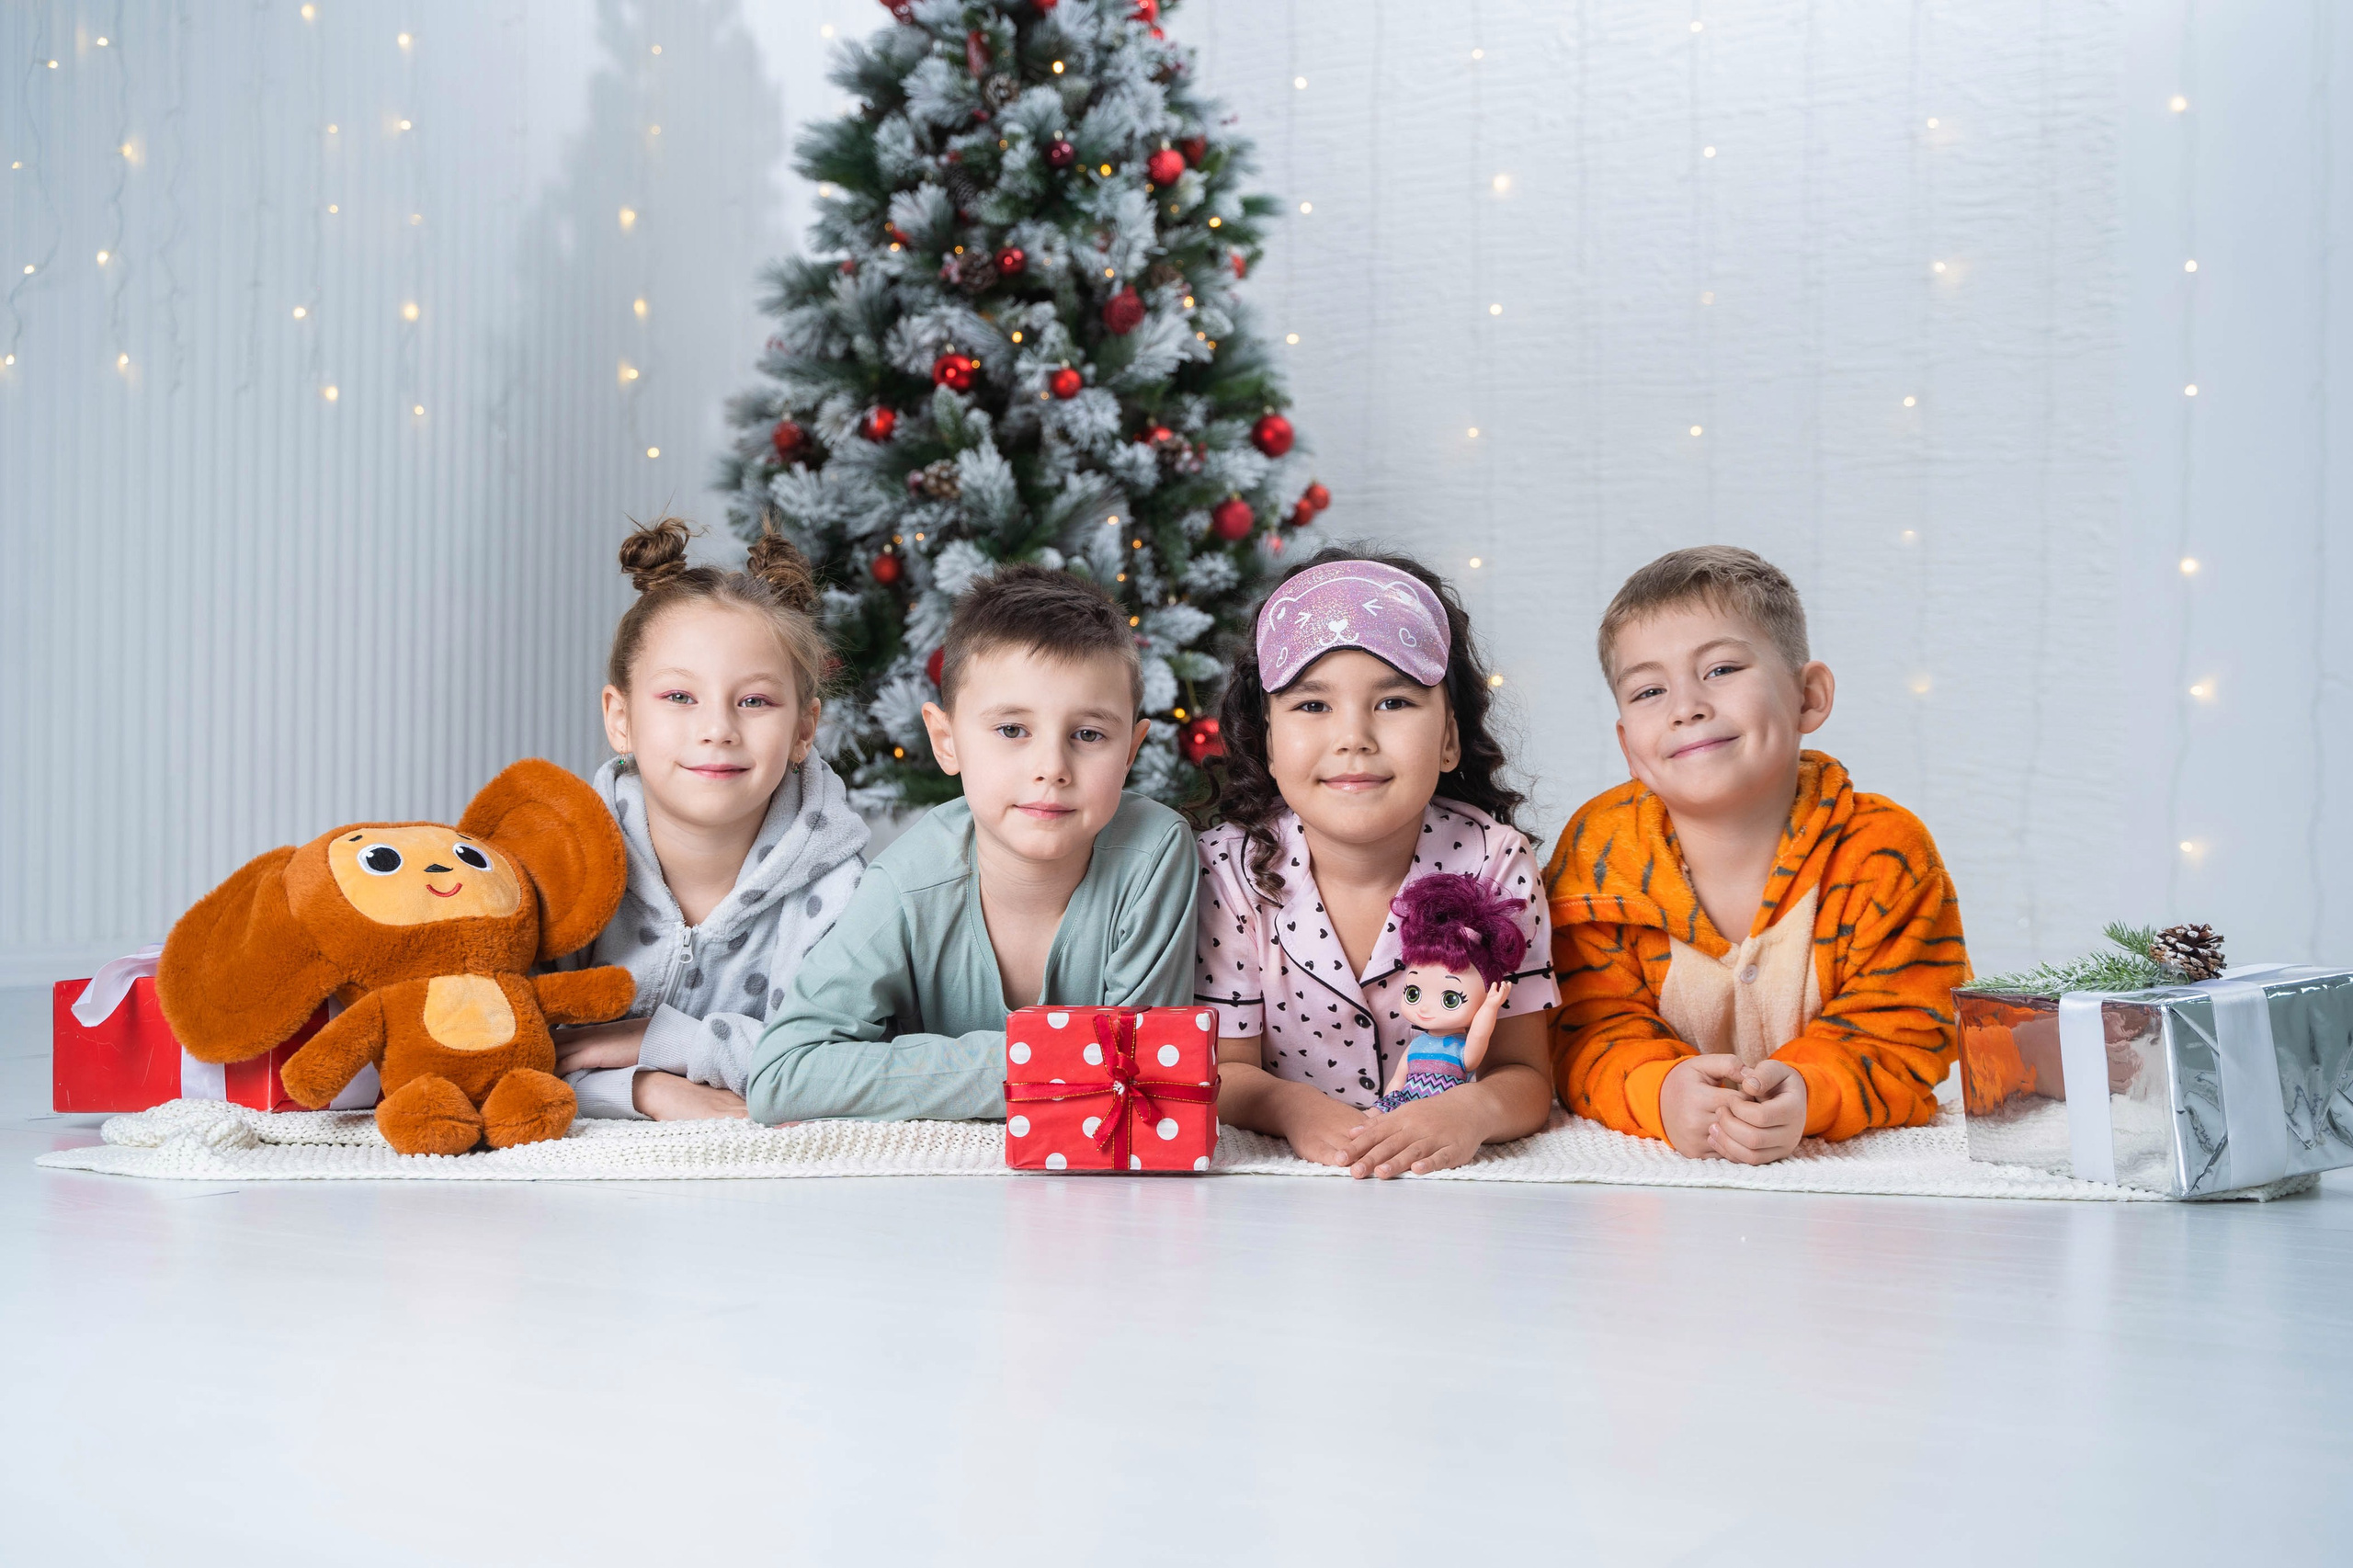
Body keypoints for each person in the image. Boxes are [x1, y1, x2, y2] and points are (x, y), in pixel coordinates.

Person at [1547, 546, 1970, 1164]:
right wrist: (1658, 1090)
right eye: (1647, 691)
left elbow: (1908, 1030)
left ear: (1809, 696)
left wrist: (1812, 1092)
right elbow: (1582, 1028)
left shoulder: (1882, 853)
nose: (1685, 706)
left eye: (1720, 670)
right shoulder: (1600, 852)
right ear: (1628, 746)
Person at [746, 564, 1198, 1122]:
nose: (1051, 769)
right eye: (1012, 730)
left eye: (1089, 735)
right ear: (945, 740)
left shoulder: (1154, 854)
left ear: (1130, 750)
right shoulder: (905, 886)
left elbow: (1146, 1085)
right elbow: (782, 1075)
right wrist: (1028, 1061)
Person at [1194, 551, 1559, 1179]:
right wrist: (1290, 1107)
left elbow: (1526, 1075)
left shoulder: (1497, 861)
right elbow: (1225, 1069)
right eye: (1313, 706)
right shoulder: (1228, 871)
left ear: (1448, 737)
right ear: (1267, 743)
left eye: (1393, 702)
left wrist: (1471, 1113)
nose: (1354, 736)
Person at [551, 518, 868, 1119]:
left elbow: (845, 1069)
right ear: (620, 718)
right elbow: (488, 1049)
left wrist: (663, 1042)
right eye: (679, 697)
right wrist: (646, 1091)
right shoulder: (561, 866)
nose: (718, 729)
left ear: (804, 729)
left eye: (754, 701)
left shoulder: (841, 891)